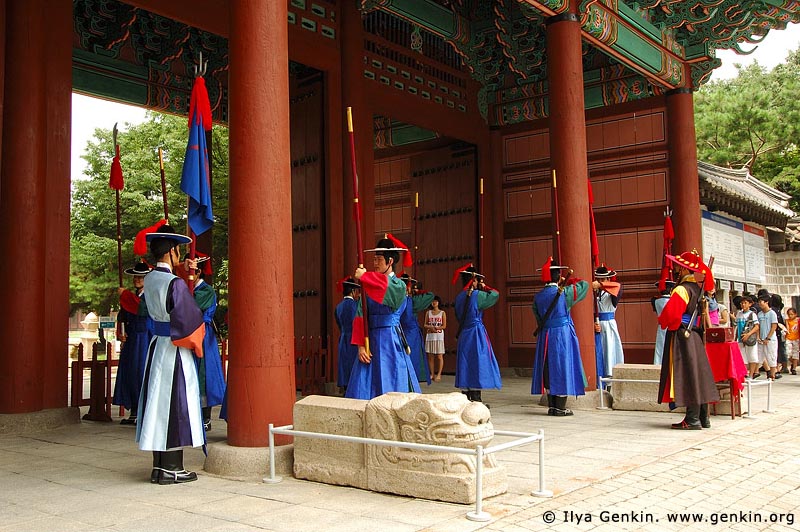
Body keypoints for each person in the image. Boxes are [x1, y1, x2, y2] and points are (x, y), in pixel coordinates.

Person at [136, 223, 206, 484]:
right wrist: (198, 341)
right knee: (175, 404)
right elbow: (190, 318)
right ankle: (173, 467)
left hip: (156, 346)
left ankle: (159, 466)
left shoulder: (151, 278)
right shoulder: (174, 283)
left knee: (157, 404)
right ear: (173, 251)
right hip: (174, 347)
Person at [345, 235, 420, 400]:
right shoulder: (369, 284)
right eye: (374, 259)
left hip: (390, 340)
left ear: (390, 261)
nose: (375, 263)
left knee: (392, 384)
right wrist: (360, 347)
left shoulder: (399, 285)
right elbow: (360, 316)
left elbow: (387, 290)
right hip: (370, 340)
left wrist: (365, 277)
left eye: (379, 259)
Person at [657, 249, 719, 430]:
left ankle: (692, 420)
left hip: (683, 335)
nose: (676, 269)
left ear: (684, 270)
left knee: (689, 374)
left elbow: (671, 314)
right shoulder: (697, 289)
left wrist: (663, 322)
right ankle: (703, 418)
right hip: (696, 335)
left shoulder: (681, 289)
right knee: (698, 374)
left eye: (678, 267)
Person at [531, 257, 590, 416]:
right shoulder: (565, 293)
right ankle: (560, 408)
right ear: (558, 276)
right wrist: (569, 281)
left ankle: (552, 406)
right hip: (561, 335)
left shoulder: (538, 297)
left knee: (548, 368)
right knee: (562, 367)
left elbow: (537, 316)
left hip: (545, 335)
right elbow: (584, 285)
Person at [185, 253, 226, 431]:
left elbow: (190, 307)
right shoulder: (188, 289)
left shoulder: (206, 291)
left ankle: (205, 418)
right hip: (190, 335)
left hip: (203, 335)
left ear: (198, 272)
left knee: (204, 376)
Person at [453, 263, 502, 404]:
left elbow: (458, 315)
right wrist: (484, 287)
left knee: (466, 363)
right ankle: (476, 399)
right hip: (475, 333)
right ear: (473, 280)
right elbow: (495, 294)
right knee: (477, 362)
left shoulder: (459, 297)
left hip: (464, 333)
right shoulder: (477, 295)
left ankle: (466, 396)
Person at [112, 260, 152, 425]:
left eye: (141, 277)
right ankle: (134, 411)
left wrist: (125, 295)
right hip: (132, 338)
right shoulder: (133, 296)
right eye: (136, 276)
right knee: (130, 374)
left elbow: (141, 308)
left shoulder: (150, 296)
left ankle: (144, 411)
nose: (137, 279)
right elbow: (123, 317)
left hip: (145, 337)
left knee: (142, 372)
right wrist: (121, 333)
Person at [400, 273, 435, 384]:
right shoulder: (413, 301)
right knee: (413, 357)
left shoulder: (397, 299)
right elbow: (431, 295)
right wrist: (417, 292)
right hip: (411, 333)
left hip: (398, 332)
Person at [593, 264, 623, 381]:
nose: (600, 281)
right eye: (598, 279)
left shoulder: (612, 292)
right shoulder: (594, 293)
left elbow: (618, 287)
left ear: (608, 280)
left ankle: (609, 380)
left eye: (603, 279)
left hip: (609, 325)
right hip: (597, 326)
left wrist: (600, 285)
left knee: (609, 352)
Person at [335, 276, 361, 394]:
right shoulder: (355, 306)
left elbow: (339, 324)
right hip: (354, 339)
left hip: (343, 337)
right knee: (353, 366)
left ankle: (345, 390)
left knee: (344, 366)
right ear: (353, 291)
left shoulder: (338, 307)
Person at [735, 295, 760, 379]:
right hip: (740, 338)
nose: (743, 305)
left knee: (752, 356)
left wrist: (748, 334)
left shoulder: (752, 314)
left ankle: (751, 374)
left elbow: (756, 326)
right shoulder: (739, 314)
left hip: (749, 338)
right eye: (742, 303)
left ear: (750, 304)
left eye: (745, 303)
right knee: (742, 357)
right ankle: (744, 373)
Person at [651, 280, 675, 365]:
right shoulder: (674, 300)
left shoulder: (655, 300)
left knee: (660, 346)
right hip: (672, 326)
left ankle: (658, 363)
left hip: (661, 327)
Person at [756, 294, 779, 380]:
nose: (759, 304)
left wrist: (768, 337)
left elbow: (774, 326)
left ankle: (772, 375)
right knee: (759, 356)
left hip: (770, 339)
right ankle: (755, 372)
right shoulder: (760, 314)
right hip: (761, 339)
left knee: (771, 356)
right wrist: (758, 337)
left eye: (761, 302)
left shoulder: (772, 313)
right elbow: (758, 326)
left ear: (766, 302)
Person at [424, 295, 446, 382]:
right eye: (433, 301)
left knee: (439, 356)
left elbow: (444, 325)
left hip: (439, 336)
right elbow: (425, 324)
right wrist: (430, 327)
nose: (434, 303)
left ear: (438, 303)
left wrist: (437, 328)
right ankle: (432, 373)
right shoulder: (428, 313)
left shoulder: (442, 313)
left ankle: (439, 374)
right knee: (430, 356)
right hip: (430, 336)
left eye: (436, 301)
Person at [784, 307, 799, 375]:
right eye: (789, 314)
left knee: (795, 354)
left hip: (796, 338)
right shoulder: (787, 320)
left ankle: (794, 368)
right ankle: (793, 363)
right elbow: (787, 328)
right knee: (788, 353)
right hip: (789, 338)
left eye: (792, 314)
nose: (790, 316)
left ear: (795, 314)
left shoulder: (798, 320)